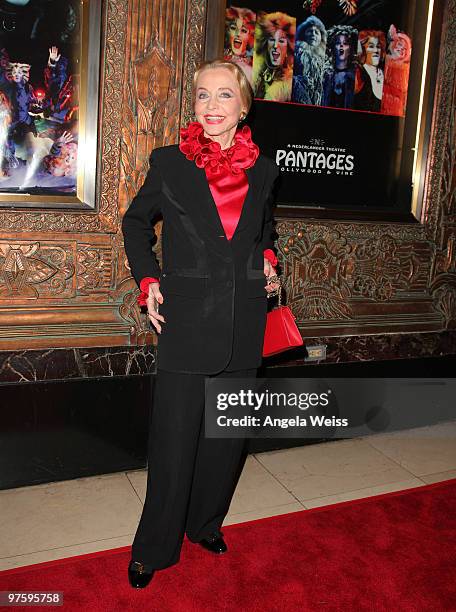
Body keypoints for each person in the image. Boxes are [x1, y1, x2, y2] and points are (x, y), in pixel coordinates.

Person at [121, 58, 281, 589]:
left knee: (225, 440)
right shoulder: (170, 163)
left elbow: (264, 231)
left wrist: (268, 261)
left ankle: (205, 523)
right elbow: (136, 222)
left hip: (244, 321)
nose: (211, 106)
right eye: (202, 96)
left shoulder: (263, 168)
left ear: (243, 107)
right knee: (173, 442)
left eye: (224, 96)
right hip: (186, 320)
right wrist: (148, 282)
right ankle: (155, 547)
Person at [252, 11, 296, 102]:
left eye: (281, 41)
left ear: (288, 48)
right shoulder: (257, 73)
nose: (276, 46)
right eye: (272, 40)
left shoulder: (289, 83)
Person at [291, 15, 327, 106]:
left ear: (321, 38)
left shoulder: (326, 59)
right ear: (303, 34)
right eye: (310, 31)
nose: (313, 34)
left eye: (316, 32)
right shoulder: (296, 52)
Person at [354, 30, 386, 112]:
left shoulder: (387, 74)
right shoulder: (358, 73)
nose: (376, 50)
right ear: (363, 49)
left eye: (378, 46)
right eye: (371, 46)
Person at [223, 5, 256, 85]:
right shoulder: (220, 62)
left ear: (250, 36)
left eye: (244, 31)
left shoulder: (253, 70)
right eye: (234, 28)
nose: (238, 34)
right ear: (228, 32)